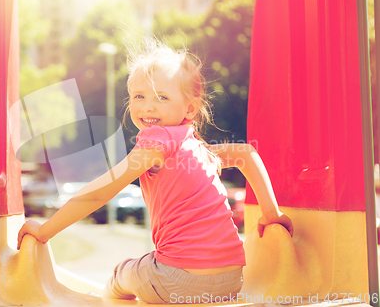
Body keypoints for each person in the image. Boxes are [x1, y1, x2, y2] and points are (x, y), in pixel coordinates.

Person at [16, 40, 293, 303]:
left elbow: (105, 188)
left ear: (190, 108)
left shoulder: (156, 141)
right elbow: (246, 153)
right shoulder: (197, 149)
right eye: (139, 96)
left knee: (120, 275)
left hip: (180, 280)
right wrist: (272, 215)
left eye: (162, 97)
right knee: (148, 265)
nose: (148, 106)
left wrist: (46, 231)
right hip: (231, 279)